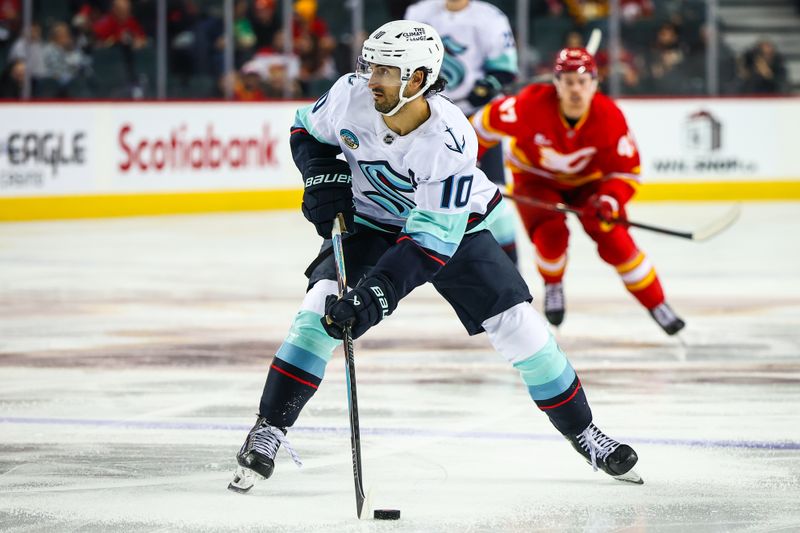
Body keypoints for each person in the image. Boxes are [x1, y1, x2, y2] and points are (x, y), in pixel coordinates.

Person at [228, 20, 642, 494]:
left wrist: (374, 297)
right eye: (370, 66)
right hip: (368, 222)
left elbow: (429, 246)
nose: (371, 79)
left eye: (386, 71)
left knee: (520, 328)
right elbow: (306, 129)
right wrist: (320, 175)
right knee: (317, 313)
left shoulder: (449, 139)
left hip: (451, 231)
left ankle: (585, 433)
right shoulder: (350, 95)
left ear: (419, 80)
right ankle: (269, 429)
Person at [470, 47, 685, 335]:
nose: (575, 89)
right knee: (551, 237)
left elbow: (627, 173)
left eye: (583, 82)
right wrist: (468, 164)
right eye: (568, 81)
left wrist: (609, 199)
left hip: (589, 185)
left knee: (617, 242)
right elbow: (482, 126)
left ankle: (657, 303)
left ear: (595, 84)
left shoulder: (609, 117)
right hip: (536, 181)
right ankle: (554, 283)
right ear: (555, 83)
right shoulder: (529, 105)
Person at [404, 0, 520, 263]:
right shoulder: (418, 13)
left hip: (477, 120)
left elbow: (505, 69)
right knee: (423, 194)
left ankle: (512, 270)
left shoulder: (490, 18)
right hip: (429, 118)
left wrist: (487, 85)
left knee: (496, 197)